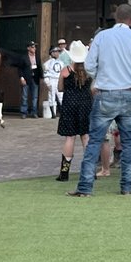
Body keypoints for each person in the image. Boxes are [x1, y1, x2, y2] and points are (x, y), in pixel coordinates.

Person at [68, 4, 131, 197]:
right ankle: (126, 186)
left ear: (116, 17)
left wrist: (98, 79)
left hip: (106, 92)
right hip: (130, 93)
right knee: (129, 142)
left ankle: (85, 187)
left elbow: (89, 65)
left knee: (94, 140)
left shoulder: (102, 37)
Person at [56, 41, 92, 181]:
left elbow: (60, 88)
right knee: (86, 136)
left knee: (70, 137)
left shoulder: (66, 70)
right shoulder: (89, 71)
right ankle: (90, 171)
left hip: (69, 104)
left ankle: (64, 172)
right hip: (85, 104)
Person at [19, 42, 41, 118]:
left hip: (35, 78)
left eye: (35, 47)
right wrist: (21, 78)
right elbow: (20, 69)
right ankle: (24, 112)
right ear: (28, 48)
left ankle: (34, 112)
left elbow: (39, 67)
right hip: (26, 78)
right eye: (32, 47)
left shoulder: (37, 57)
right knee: (24, 96)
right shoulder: (24, 57)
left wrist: (42, 77)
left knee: (35, 97)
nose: (34, 48)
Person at [43, 45, 63, 117]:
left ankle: (62, 112)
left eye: (58, 52)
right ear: (51, 53)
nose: (57, 53)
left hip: (59, 79)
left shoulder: (61, 62)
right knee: (51, 96)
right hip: (52, 80)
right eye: (55, 52)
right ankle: (52, 113)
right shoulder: (47, 63)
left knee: (61, 96)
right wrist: (47, 83)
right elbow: (46, 74)